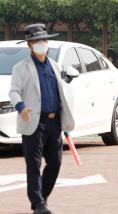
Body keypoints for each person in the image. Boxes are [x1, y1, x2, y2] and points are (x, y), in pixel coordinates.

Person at [9, 23, 75, 214]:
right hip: (33, 122)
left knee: (55, 162)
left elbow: (61, 93)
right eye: (37, 41)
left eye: (44, 40)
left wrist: (65, 119)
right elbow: (14, 91)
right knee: (34, 164)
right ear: (30, 45)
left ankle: (42, 198)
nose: (42, 43)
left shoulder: (54, 65)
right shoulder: (21, 67)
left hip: (54, 121)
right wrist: (21, 107)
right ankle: (38, 203)